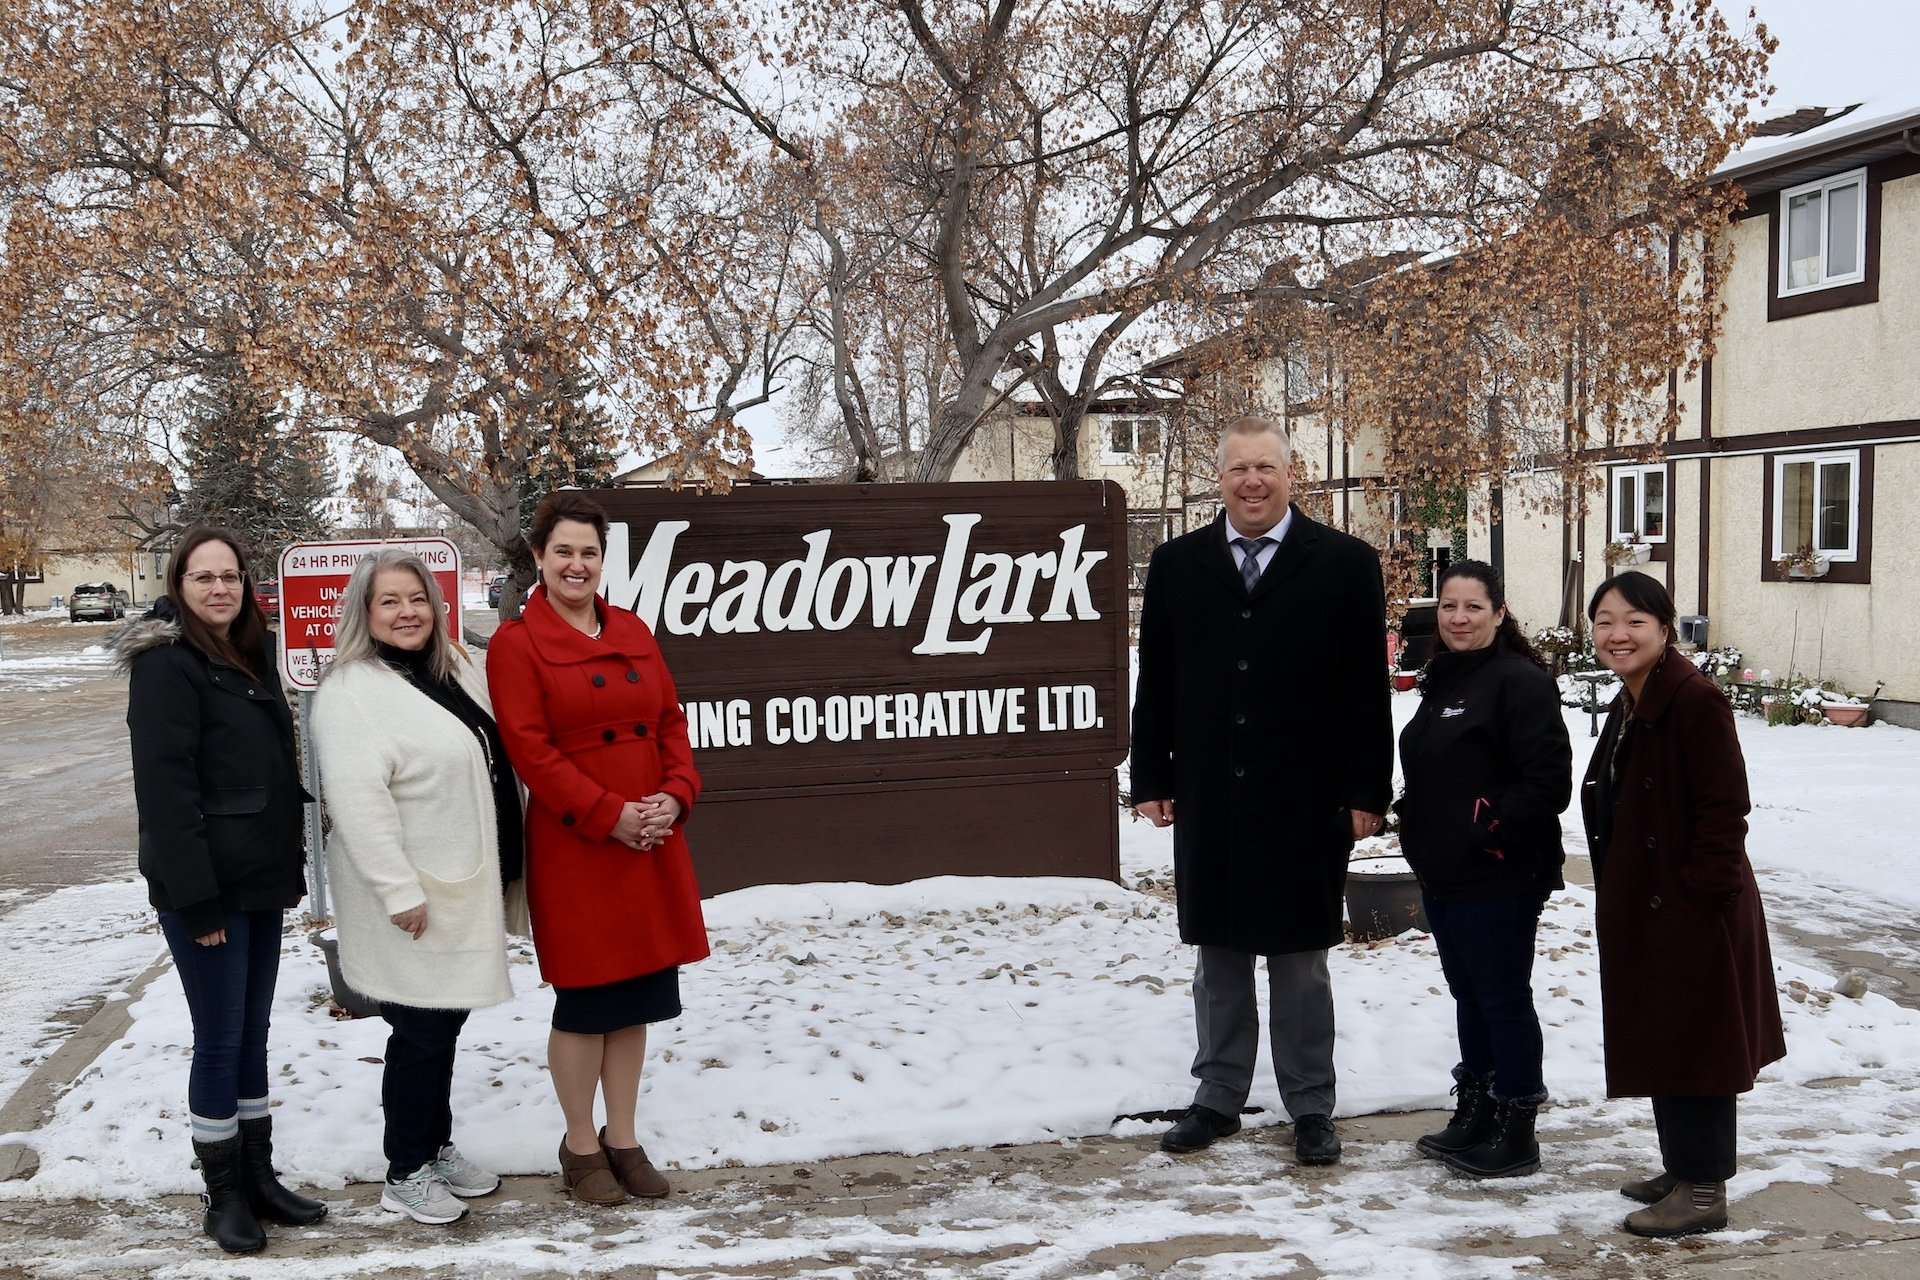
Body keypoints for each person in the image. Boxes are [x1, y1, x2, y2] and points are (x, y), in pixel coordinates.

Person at [1130, 415, 1394, 1166]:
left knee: (1300, 958)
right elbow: (1160, 680)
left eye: (1266, 468)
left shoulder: (1343, 563)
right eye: (1238, 468)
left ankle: (1310, 1103)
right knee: (1217, 956)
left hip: (1306, 794)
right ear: (1220, 478)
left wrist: (1366, 789)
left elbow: (1364, 691)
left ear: (1289, 474)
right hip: (1212, 792)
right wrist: (1150, 774)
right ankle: (1217, 1095)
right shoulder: (1179, 564)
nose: (1252, 481)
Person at [486, 491, 709, 1204]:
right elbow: (529, 750)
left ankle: (624, 1137)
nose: (576, 565)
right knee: (586, 1000)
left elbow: (670, 721)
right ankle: (580, 1144)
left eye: (588, 552)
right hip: (580, 842)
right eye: (563, 552)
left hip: (650, 837)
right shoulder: (517, 646)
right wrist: (607, 814)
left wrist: (675, 794)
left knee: (638, 995)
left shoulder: (636, 630)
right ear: (538, 559)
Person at [114, 526, 327, 1254]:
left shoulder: (248, 652)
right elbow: (167, 795)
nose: (218, 588)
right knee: (220, 1039)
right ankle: (225, 1195)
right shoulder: (167, 666)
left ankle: (260, 1177)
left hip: (258, 877)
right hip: (205, 889)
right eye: (202, 577)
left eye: (229, 576)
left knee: (253, 1037)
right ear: (179, 585)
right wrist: (197, 902)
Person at [312, 549, 523, 1225]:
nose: (407, 613)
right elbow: (359, 802)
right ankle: (405, 1169)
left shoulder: (456, 666)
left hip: (461, 884)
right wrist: (399, 890)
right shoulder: (351, 692)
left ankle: (434, 1145)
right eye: (389, 602)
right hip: (412, 895)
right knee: (421, 1031)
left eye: (418, 599)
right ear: (365, 614)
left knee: (445, 1020)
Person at [1581, 570, 1785, 1237]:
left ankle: (1702, 1194)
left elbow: (1725, 809)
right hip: (1655, 903)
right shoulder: (1637, 696)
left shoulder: (1694, 700)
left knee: (1697, 1046)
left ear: (1665, 629)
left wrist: (1702, 897)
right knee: (1668, 1037)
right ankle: (1683, 1166)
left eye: (1635, 621)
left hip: (1693, 908)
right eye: (1605, 621)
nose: (1618, 634)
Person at [1395, 561, 1571, 1178]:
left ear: (1499, 614)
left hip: (1499, 875)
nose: (1459, 618)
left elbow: (1547, 781)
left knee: (1501, 998)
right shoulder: (1444, 679)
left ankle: (1517, 1126)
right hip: (1446, 873)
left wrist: (1485, 830)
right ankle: (1477, 1110)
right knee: (1469, 995)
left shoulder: (1519, 682)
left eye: (1473, 607)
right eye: (1448, 607)